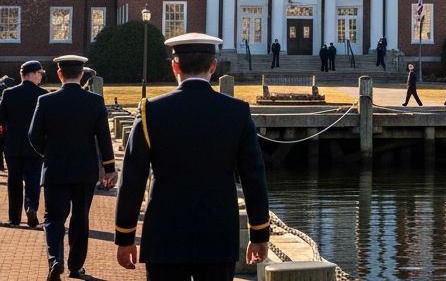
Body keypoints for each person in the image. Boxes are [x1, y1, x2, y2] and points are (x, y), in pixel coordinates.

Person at [114, 32, 270, 281]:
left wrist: (125, 235)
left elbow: (132, 180)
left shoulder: (150, 112)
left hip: (165, 234)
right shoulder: (237, 112)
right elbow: (254, 177)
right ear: (213, 66)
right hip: (218, 234)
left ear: (174, 66)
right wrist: (259, 233)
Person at [29, 55, 118, 281]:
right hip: (84, 170)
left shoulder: (46, 101)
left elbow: (33, 135)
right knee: (80, 218)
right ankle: (75, 266)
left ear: (59, 74)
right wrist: (109, 168)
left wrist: (47, 153)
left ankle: (55, 259)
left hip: (55, 168)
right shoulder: (95, 101)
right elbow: (104, 138)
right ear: (81, 74)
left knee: (53, 218)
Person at [0, 59, 46, 228]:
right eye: (39, 73)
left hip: (12, 146)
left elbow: (1, 119)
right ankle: (31, 207)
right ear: (31, 74)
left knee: (14, 182)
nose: (41, 76)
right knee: (33, 180)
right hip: (35, 146)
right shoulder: (43, 94)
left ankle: (14, 218)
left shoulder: (8, 93)